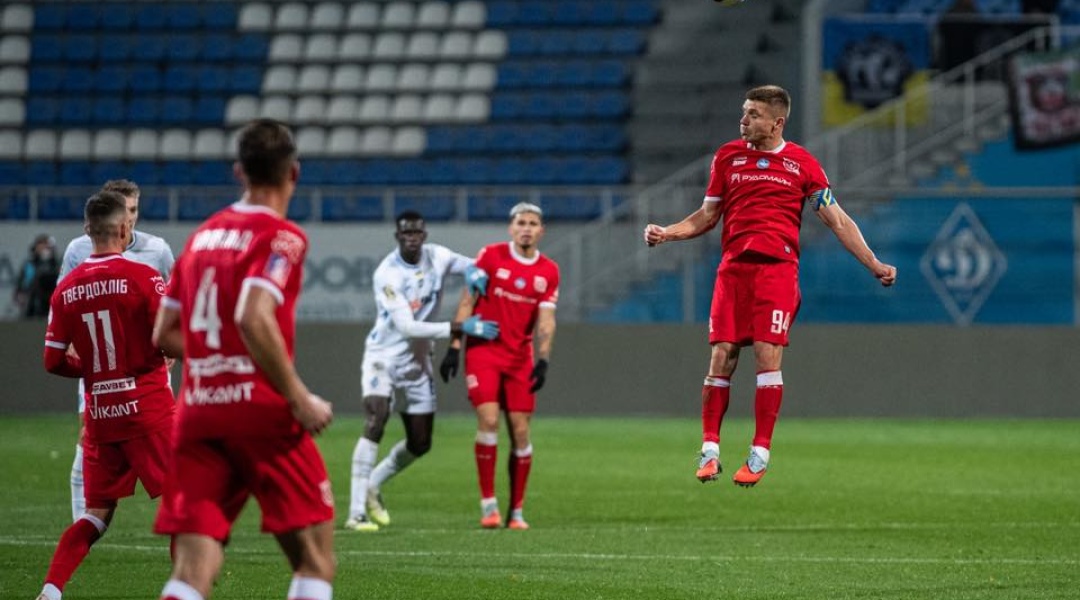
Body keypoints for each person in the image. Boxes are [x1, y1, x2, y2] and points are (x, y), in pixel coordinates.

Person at [643, 85, 897, 487]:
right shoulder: (727, 157)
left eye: (753, 114)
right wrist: (667, 233)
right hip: (733, 270)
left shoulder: (803, 164)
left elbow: (837, 220)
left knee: (766, 354)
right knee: (722, 356)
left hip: (777, 271)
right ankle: (710, 451)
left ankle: (759, 452)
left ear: (777, 122)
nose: (743, 120)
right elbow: (707, 216)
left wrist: (874, 263)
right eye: (744, 112)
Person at [151, 119, 335, 600]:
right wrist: (299, 398)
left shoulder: (200, 237)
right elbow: (253, 315)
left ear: (239, 172)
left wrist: (216, 358)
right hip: (260, 413)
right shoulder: (282, 237)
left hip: (198, 412)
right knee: (315, 560)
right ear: (293, 173)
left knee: (193, 568)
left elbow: (163, 333)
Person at [36, 191, 175, 600]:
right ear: (125, 228)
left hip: (101, 416)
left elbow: (52, 361)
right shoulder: (144, 277)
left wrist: (94, 370)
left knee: (95, 515)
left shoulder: (65, 290)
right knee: (185, 501)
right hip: (147, 412)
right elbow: (170, 338)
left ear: (87, 230)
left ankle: (51, 590)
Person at [345, 211, 499, 532]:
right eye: (406, 234)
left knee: (420, 442)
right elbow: (407, 326)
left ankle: (373, 483)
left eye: (417, 233)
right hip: (384, 357)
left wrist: (475, 271)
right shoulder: (387, 274)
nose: (412, 239)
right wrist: (461, 327)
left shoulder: (437, 256)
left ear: (424, 235)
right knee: (376, 418)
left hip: (417, 362)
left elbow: (474, 264)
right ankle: (356, 512)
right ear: (397, 237)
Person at [60, 179, 175, 522]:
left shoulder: (158, 251)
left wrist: (168, 343)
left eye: (134, 210)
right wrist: (68, 342)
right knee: (87, 438)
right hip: (100, 366)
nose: (130, 218)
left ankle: (173, 517)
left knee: (158, 448)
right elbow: (61, 302)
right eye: (125, 210)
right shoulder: (78, 250)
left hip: (146, 368)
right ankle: (85, 516)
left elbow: (173, 301)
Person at [440, 202, 559, 530]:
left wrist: (543, 358)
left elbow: (546, 320)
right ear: (511, 228)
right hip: (484, 353)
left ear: (541, 231)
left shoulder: (549, 271)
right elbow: (468, 300)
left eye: (532, 223)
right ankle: (489, 504)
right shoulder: (490, 256)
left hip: (519, 359)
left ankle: (516, 511)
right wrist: (454, 346)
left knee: (520, 431)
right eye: (521, 223)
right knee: (489, 420)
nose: (526, 229)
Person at [14, 233, 60, 318]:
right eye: (42, 245)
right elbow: (20, 287)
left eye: (47, 246)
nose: (44, 248)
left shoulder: (56, 264)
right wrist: (21, 295)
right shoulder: (29, 265)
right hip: (32, 305)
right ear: (36, 247)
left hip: (53, 304)